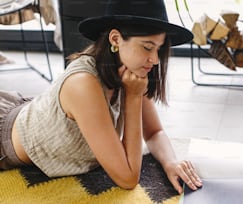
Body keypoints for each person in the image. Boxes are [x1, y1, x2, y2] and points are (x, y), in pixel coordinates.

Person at [0, 0, 202, 194]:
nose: (155, 60)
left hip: (29, 115)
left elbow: (154, 132)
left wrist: (170, 162)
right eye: (147, 47)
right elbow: (128, 178)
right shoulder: (83, 84)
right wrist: (132, 99)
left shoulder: (131, 71)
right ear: (115, 39)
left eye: (159, 48)